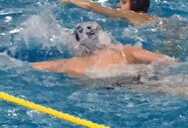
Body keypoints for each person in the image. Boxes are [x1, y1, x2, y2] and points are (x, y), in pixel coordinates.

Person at [32, 21, 173, 78]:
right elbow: (168, 61)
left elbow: (28, 67)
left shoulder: (70, 63)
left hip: (105, 88)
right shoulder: (124, 51)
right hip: (137, 77)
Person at [60, 0, 158, 26]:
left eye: (124, 2)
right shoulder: (153, 18)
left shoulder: (129, 14)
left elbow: (92, 6)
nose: (118, 5)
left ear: (135, 4)